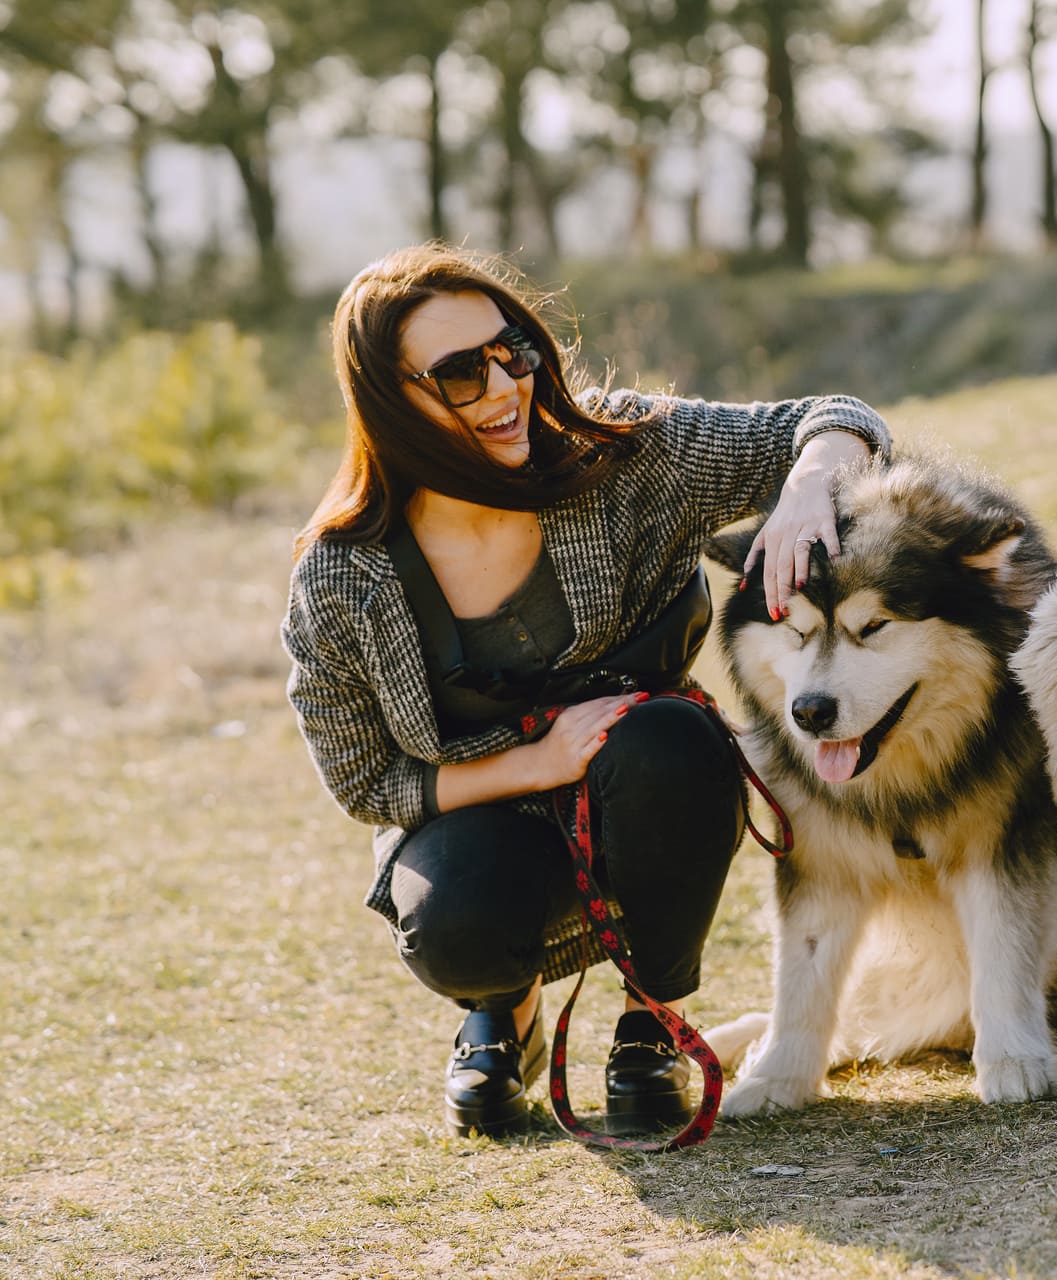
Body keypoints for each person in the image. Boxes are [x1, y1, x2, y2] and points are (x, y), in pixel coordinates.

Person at [281, 245, 890, 1137]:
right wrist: (536, 763)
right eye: (458, 373)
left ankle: (652, 1025)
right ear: (389, 398)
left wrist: (808, 488)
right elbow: (364, 785)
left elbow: (838, 417)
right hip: (478, 823)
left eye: (512, 350)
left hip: (651, 788)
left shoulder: (623, 455)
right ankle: (503, 1008)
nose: (503, 387)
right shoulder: (340, 575)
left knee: (677, 744)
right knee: (454, 923)